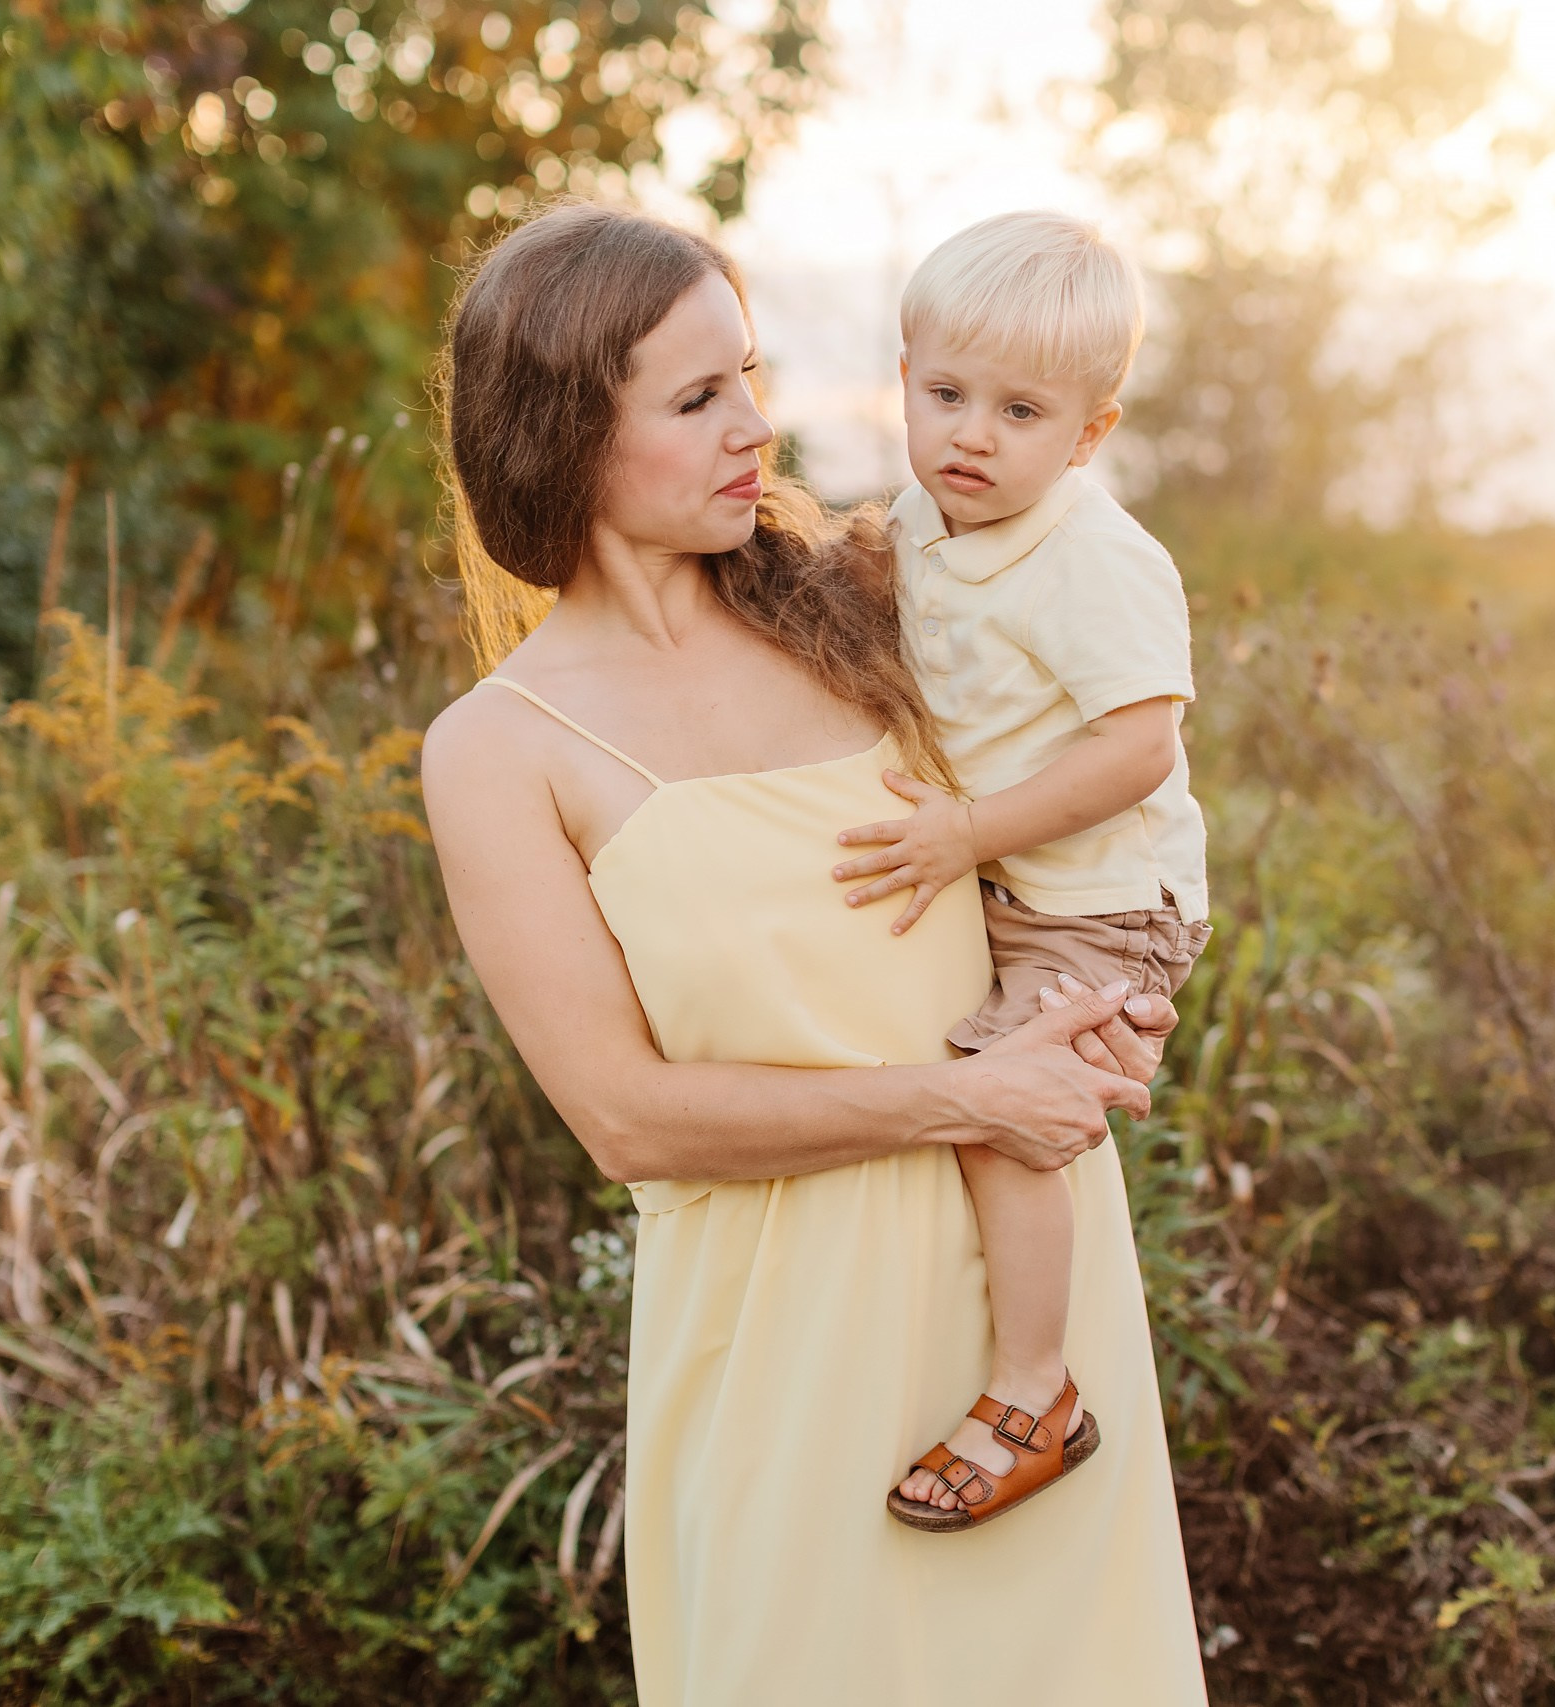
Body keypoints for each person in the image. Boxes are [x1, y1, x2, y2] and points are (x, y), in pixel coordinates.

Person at [419, 202, 1210, 1706]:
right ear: (568, 432)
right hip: (791, 1342)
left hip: (1027, 1330)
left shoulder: (855, 602)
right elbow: (629, 1118)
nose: (758, 427)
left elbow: (1105, 790)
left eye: (754, 378)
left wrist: (1117, 994)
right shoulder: (499, 751)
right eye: (701, 396)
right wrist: (965, 1100)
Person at [829, 213, 1212, 1532]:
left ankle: (1035, 1391)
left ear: (1089, 435)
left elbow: (1140, 750)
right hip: (1008, 885)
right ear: (904, 377)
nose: (970, 435)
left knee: (1002, 1103)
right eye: (944, 394)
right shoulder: (921, 518)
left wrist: (965, 835)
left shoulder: (1096, 562)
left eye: (1019, 410)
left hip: (1105, 898)